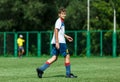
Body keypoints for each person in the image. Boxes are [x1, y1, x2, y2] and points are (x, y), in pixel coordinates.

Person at [36, 7, 77, 78]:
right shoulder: (59, 21)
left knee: (54, 57)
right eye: (62, 14)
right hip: (60, 42)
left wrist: (66, 36)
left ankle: (41, 69)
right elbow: (56, 30)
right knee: (67, 56)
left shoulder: (61, 21)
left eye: (64, 14)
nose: (64, 15)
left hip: (57, 41)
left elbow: (60, 32)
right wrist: (57, 42)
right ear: (59, 14)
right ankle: (68, 74)